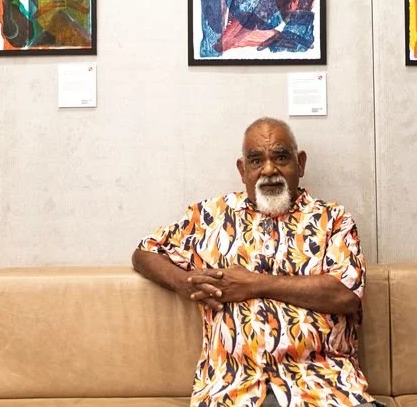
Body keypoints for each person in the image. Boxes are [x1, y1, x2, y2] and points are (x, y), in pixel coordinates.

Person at [132, 117, 379, 407]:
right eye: (256, 160)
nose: (269, 170)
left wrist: (255, 284)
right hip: (232, 389)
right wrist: (182, 283)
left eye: (281, 157)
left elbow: (346, 294)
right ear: (242, 169)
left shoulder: (333, 219)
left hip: (325, 387)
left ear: (300, 164)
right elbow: (144, 253)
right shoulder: (211, 218)